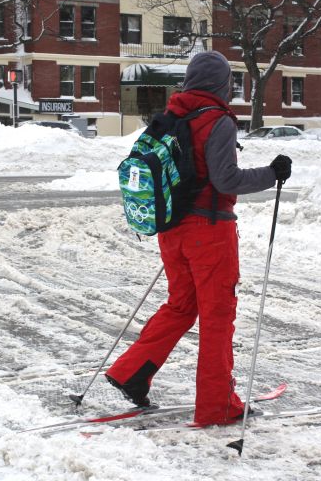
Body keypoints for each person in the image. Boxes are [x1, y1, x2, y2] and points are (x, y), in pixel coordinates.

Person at [106, 51, 292, 426]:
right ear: (222, 84)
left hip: (172, 229)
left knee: (180, 305)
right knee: (217, 316)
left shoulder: (169, 117)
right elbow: (227, 180)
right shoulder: (217, 121)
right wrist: (272, 173)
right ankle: (218, 404)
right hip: (209, 231)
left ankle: (131, 372)